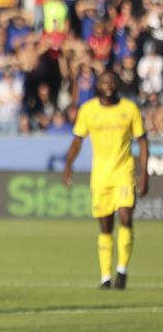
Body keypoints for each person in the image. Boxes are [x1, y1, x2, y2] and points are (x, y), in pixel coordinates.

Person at [62, 70, 149, 289]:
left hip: (124, 173)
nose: (108, 85)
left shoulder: (129, 109)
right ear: (98, 86)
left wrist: (143, 173)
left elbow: (143, 142)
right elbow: (77, 141)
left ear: (118, 85)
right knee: (105, 226)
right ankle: (105, 278)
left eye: (111, 81)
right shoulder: (88, 110)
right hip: (100, 176)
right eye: (104, 82)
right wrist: (68, 165)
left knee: (126, 217)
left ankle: (122, 270)